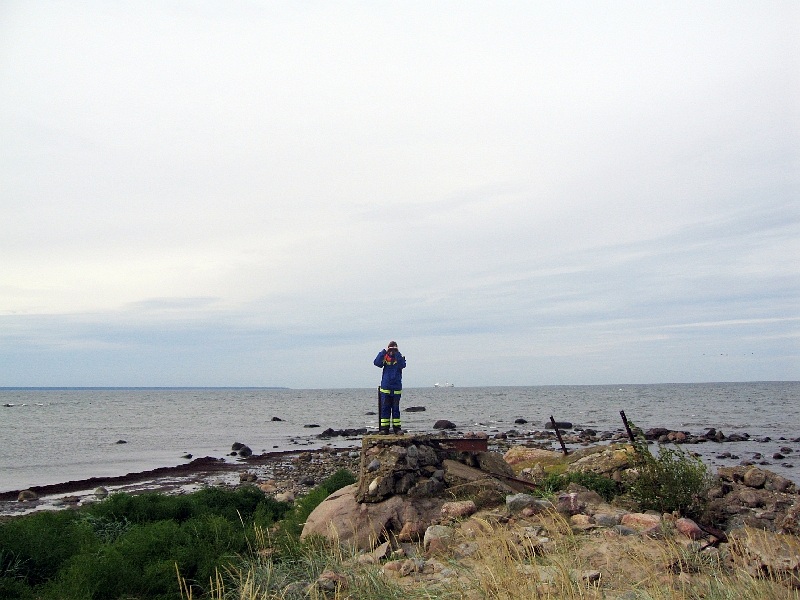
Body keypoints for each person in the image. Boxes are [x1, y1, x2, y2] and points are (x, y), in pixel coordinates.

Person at [374, 341, 406, 434]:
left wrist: (397, 353)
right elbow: (376, 363)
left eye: (394, 349)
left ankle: (397, 429)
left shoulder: (399, 358)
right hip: (386, 388)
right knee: (385, 409)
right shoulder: (385, 358)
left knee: (396, 409)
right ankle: (384, 429)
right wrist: (384, 351)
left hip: (396, 389)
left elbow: (402, 365)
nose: (392, 351)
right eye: (391, 349)